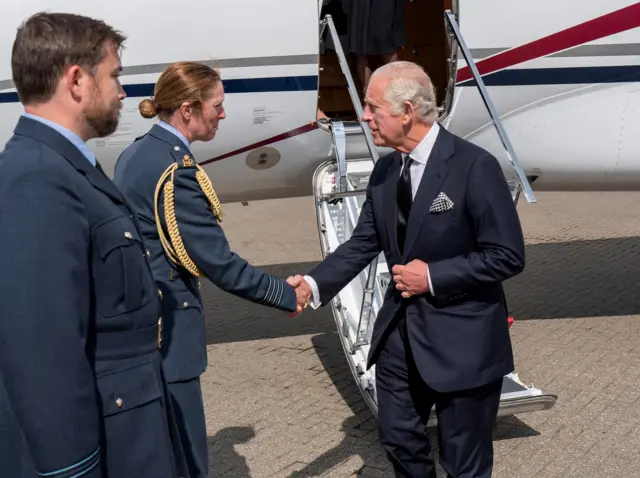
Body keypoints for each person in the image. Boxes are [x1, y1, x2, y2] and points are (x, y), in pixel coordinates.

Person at [288, 61, 525, 477]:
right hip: (401, 335)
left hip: (461, 342)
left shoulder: (474, 167)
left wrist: (432, 277)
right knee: (397, 437)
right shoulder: (385, 171)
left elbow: (506, 255)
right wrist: (311, 283)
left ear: (407, 111)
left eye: (371, 106)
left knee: (463, 463)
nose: (363, 116)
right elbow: (363, 243)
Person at [0, 12, 188, 478]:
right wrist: (73, 469)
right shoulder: (37, 178)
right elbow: (42, 351)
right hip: (101, 448)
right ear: (77, 80)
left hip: (128, 430)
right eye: (116, 76)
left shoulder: (66, 166)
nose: (123, 92)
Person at [112, 61, 303, 478]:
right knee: (186, 459)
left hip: (146, 321)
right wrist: (286, 294)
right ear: (188, 109)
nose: (223, 113)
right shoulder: (175, 170)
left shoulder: (138, 152)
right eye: (217, 104)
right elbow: (218, 263)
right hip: (170, 327)